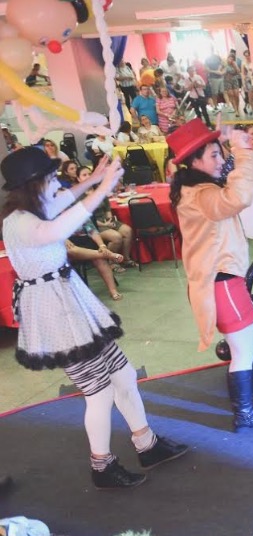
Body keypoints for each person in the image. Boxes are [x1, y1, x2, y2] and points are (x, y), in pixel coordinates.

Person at [2, 150, 188, 488]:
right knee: (98, 392)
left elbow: (63, 201)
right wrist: (101, 188)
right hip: (55, 312)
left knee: (123, 375)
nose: (57, 183)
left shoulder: (34, 208)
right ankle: (102, 466)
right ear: (33, 184)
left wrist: (96, 179)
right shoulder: (20, 221)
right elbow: (59, 227)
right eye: (51, 178)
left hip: (70, 302)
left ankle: (147, 444)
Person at [167, 119, 253, 431]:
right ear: (193, 162)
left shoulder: (197, 190)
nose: (220, 160)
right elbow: (239, 197)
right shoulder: (200, 194)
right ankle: (246, 412)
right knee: (243, 349)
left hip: (225, 280)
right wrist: (244, 151)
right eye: (213, 155)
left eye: (219, 153)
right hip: (221, 282)